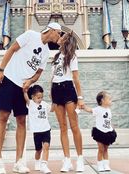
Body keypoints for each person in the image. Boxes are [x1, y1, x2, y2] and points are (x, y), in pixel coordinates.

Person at [0, 22, 62, 174]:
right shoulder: (30, 35)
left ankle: (19, 161)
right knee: (3, 116)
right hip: (9, 79)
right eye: (58, 33)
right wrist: (1, 70)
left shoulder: (45, 52)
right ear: (51, 30)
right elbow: (11, 49)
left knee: (22, 120)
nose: (59, 36)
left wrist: (30, 81)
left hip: (23, 87)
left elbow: (38, 73)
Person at [50, 31, 85, 172]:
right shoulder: (56, 56)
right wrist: (52, 99)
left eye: (62, 37)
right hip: (56, 90)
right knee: (62, 127)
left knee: (74, 125)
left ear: (67, 40)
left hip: (68, 88)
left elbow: (76, 78)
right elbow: (52, 78)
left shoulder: (72, 56)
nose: (60, 38)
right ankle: (67, 160)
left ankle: (80, 159)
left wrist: (80, 98)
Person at [83, 91, 117, 172]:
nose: (110, 101)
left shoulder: (108, 110)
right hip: (100, 132)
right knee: (101, 148)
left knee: (106, 149)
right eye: (109, 99)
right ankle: (100, 164)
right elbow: (89, 110)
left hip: (108, 132)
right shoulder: (98, 109)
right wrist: (83, 106)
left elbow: (109, 120)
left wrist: (112, 128)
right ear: (102, 100)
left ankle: (106, 164)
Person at [23, 85, 53, 174]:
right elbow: (26, 98)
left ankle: (44, 165)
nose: (40, 99)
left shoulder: (44, 104)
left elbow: (52, 109)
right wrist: (25, 91)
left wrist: (53, 100)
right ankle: (37, 161)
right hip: (37, 131)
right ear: (33, 97)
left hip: (46, 129)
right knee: (38, 150)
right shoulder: (30, 104)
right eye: (38, 97)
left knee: (46, 146)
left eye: (41, 97)